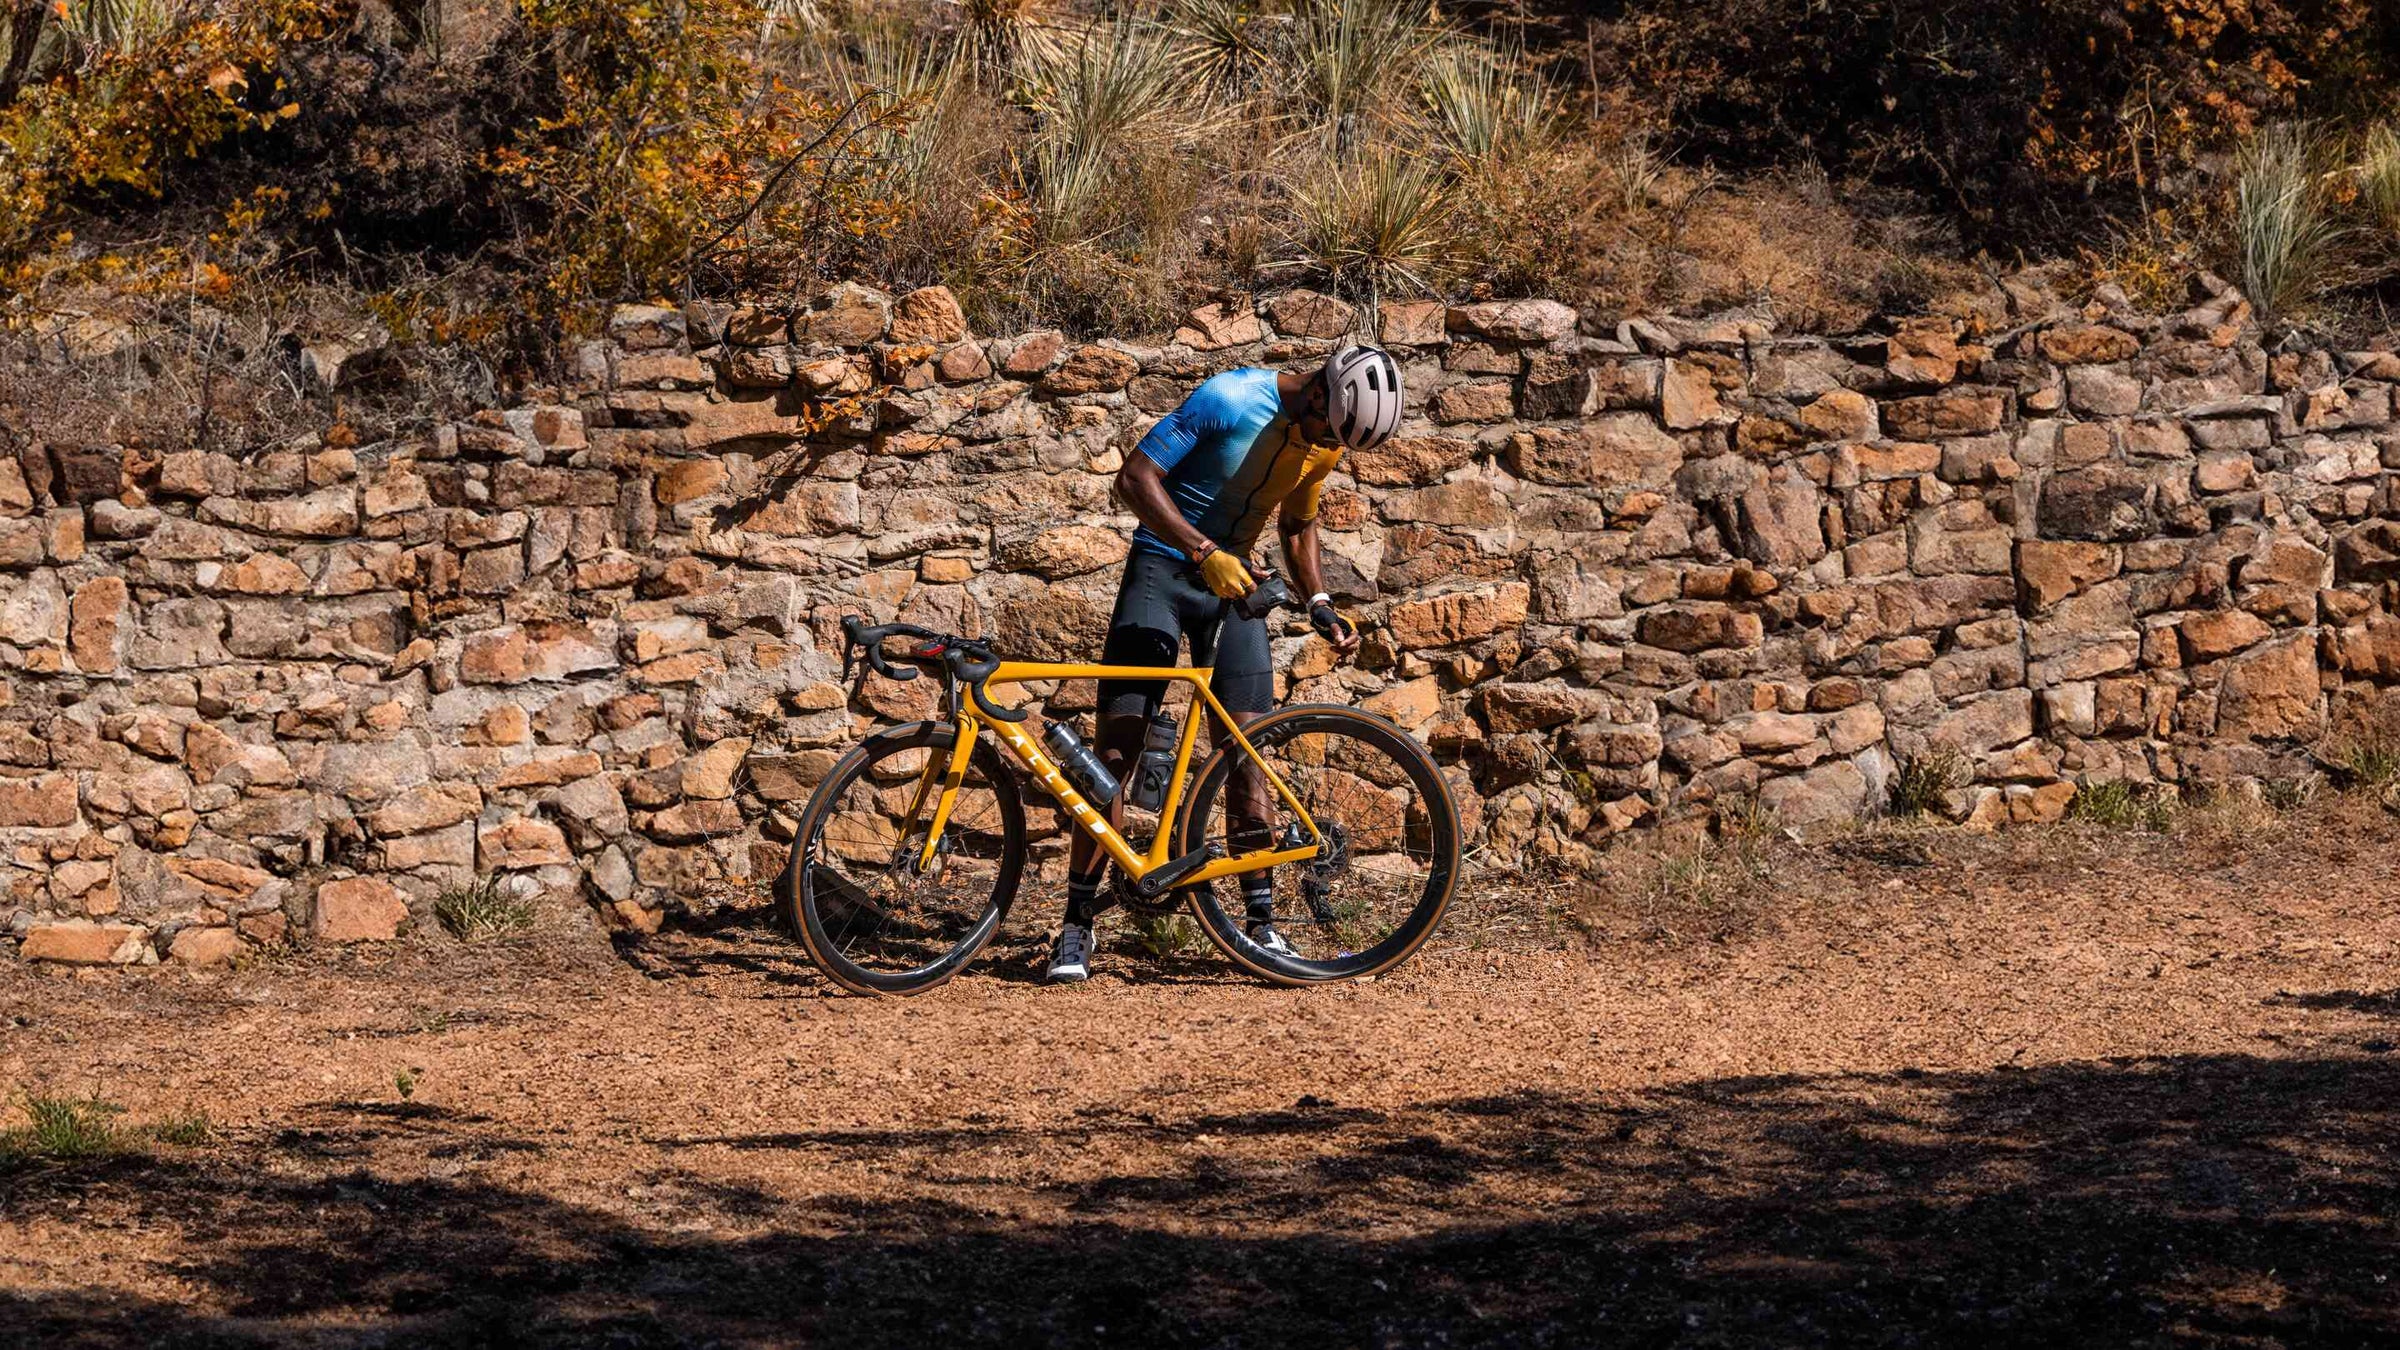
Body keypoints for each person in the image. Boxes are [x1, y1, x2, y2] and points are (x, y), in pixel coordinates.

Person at [1047, 343, 1406, 983]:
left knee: (1247, 755)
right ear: (1320, 391)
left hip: (1235, 586)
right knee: (1118, 755)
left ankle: (1260, 926)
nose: (1329, 442)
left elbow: (1297, 526)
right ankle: (1077, 923)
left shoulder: (1327, 440)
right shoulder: (1229, 398)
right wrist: (1201, 547)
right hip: (1162, 570)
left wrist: (1319, 601)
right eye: (1330, 428)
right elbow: (1133, 478)